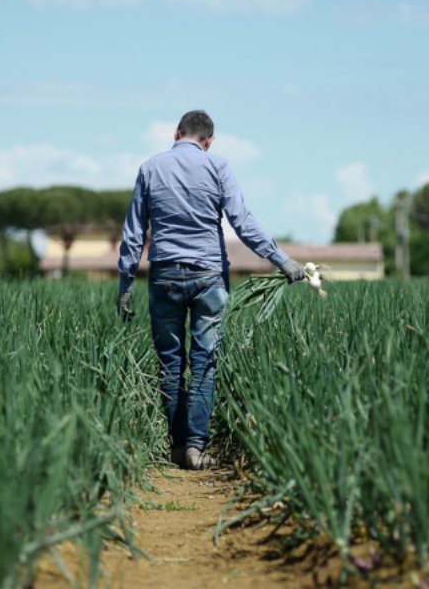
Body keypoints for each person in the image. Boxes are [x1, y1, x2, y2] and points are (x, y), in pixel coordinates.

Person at [116, 110, 305, 470]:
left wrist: (125, 284)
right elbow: (243, 222)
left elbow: (134, 232)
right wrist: (283, 261)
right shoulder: (219, 167)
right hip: (209, 277)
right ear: (209, 141)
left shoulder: (150, 168)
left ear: (176, 133)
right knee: (204, 364)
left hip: (165, 276)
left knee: (170, 364)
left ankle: (174, 446)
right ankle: (195, 447)